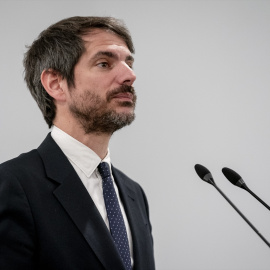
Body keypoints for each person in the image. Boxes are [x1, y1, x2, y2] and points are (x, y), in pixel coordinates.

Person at [0, 16, 155, 270]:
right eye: (104, 63)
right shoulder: (13, 184)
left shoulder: (134, 194)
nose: (130, 76)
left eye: (129, 63)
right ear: (55, 84)